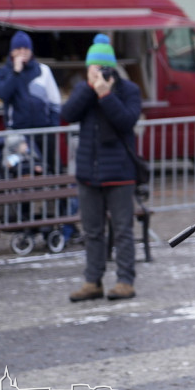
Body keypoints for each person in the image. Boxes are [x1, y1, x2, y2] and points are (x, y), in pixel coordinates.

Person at [63, 34, 143, 302]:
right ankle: (92, 281)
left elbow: (126, 121)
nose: (97, 73)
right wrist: (89, 89)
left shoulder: (128, 90)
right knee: (92, 231)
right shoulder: (82, 90)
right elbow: (68, 114)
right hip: (89, 173)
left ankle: (125, 281)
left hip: (120, 174)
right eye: (93, 67)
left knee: (122, 231)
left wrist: (106, 95)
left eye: (101, 67)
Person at [0, 30, 62, 173]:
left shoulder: (43, 71)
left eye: (26, 49)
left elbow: (55, 101)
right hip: (18, 133)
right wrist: (16, 72)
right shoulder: (3, 73)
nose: (23, 52)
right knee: (20, 170)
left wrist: (52, 127)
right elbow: (3, 94)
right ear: (12, 52)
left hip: (44, 131)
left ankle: (59, 195)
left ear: (31, 51)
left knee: (53, 169)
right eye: (18, 49)